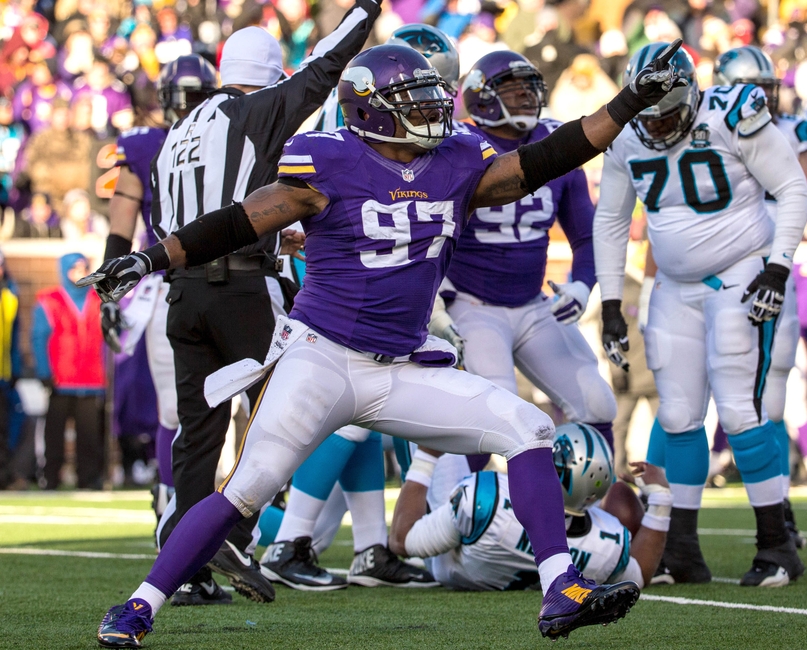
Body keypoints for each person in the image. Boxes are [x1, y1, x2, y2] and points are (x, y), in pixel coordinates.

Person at [85, 40, 686, 646]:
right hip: (322, 358)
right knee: (246, 488)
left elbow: (546, 159)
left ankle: (560, 588)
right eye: (412, 99)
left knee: (528, 428)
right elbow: (240, 221)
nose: (430, 108)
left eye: (430, 95)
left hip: (399, 365)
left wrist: (630, 99)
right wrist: (147, 259)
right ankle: (138, 606)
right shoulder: (326, 160)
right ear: (369, 110)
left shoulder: (456, 158)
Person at [149, 4, 381, 607]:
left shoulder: (177, 131)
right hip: (240, 290)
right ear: (269, 74)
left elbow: (177, 217)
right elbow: (327, 65)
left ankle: (185, 567)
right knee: (289, 412)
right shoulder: (255, 110)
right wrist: (367, 9)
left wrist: (275, 235)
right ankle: (234, 534)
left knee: (198, 435)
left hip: (183, 295)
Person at [593, 42, 807, 588]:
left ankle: (777, 546)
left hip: (741, 274)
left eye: (668, 115)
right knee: (678, 418)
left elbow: (791, 186)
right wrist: (612, 301)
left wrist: (778, 267)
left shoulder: (733, 114)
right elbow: (612, 220)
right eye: (649, 116)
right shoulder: (623, 134)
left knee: (740, 412)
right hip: (673, 286)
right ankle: (680, 550)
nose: (659, 128)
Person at [262, 22, 461, 592]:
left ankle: (371, 548)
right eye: (425, 92)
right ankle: (282, 539)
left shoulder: (387, 119)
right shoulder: (351, 135)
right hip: (347, 283)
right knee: (353, 410)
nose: (436, 106)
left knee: (364, 422)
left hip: (369, 274)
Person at [438, 49, 618, 453]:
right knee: (494, 420)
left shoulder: (557, 141)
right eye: (514, 89)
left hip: (533, 304)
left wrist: (583, 285)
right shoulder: (456, 147)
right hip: (471, 304)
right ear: (481, 96)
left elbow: (586, 236)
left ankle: (583, 512)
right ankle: (479, 507)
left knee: (597, 401)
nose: (526, 98)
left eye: (530, 88)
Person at [102, 54, 228, 605]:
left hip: (218, 281)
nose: (190, 108)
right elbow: (123, 217)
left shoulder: (218, 137)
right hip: (177, 283)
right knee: (182, 414)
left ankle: (229, 525)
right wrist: (114, 279)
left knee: (226, 411)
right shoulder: (155, 144)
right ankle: (171, 510)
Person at [712, 44, 805, 549]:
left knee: (770, 393)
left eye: (767, 89)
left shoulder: (791, 130)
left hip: (776, 270)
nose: (762, 99)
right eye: (752, 90)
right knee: (695, 402)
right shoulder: (705, 130)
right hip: (722, 272)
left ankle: (778, 515)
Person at [388, 424, 670, 591]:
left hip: (447, 560)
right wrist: (660, 499)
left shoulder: (487, 497)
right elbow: (640, 574)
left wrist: (426, 457)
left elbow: (401, 541)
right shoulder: (607, 545)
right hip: (492, 573)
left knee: (428, 425)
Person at [32, 253, 105, 490]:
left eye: (84, 268)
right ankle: (51, 477)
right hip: (60, 378)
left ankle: (89, 478)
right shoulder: (49, 300)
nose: (80, 273)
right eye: (74, 269)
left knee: (89, 435)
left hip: (92, 378)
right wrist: (44, 371)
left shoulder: (99, 299)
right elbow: (39, 337)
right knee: (54, 433)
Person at [0, 250, 22, 489]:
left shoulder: (9, 296)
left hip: (2, 375)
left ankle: (4, 475)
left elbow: (14, 339)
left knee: (4, 431)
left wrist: (15, 369)